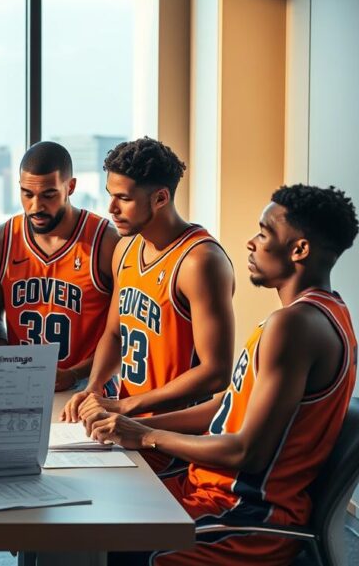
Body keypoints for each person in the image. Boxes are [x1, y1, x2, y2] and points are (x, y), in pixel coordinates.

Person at [87, 185, 359, 566]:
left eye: (264, 233)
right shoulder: (320, 313)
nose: (251, 242)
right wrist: (128, 422)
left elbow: (248, 451)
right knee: (100, 503)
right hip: (210, 492)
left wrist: (148, 435)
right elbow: (226, 407)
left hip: (244, 518)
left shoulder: (294, 326)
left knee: (103, 545)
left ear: (298, 250)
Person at [61, 137, 235, 474]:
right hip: (125, 430)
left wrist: (126, 405)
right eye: (110, 195)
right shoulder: (126, 249)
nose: (111, 208)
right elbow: (114, 333)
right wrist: (95, 388)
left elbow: (216, 372)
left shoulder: (200, 262)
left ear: (160, 197)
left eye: (123, 198)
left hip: (175, 442)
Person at [0, 141, 118, 391]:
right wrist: (6, 360)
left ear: (70, 187)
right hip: (20, 385)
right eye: (27, 194)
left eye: (49, 195)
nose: (36, 206)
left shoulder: (105, 242)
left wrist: (74, 374)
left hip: (89, 385)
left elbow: (123, 334)